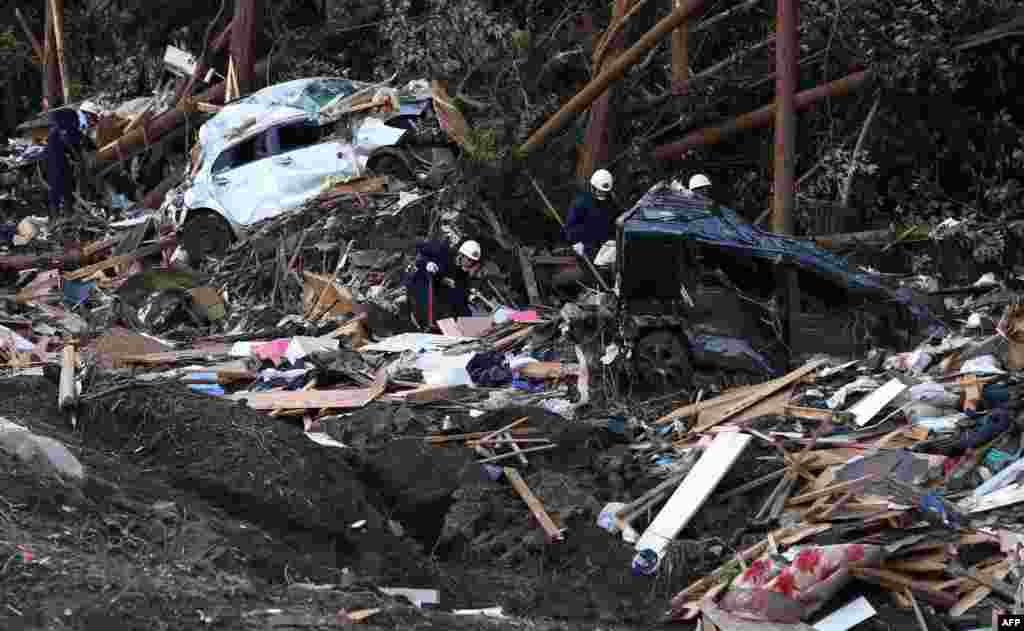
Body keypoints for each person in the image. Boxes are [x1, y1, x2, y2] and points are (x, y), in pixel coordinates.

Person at [404, 239, 483, 329]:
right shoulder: (442, 250)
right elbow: (414, 251)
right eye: (468, 259)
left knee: (454, 300)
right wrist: (426, 263)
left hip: (436, 292)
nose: (469, 263)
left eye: (472, 262)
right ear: (461, 254)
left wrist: (468, 322)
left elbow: (461, 302)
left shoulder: (462, 275)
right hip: (419, 282)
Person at [565, 169, 616, 260]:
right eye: (599, 191)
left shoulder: (611, 203)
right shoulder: (581, 202)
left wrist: (612, 240)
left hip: (604, 249)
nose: (602, 194)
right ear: (593, 187)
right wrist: (575, 242)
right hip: (585, 247)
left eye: (605, 192)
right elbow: (570, 225)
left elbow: (613, 223)